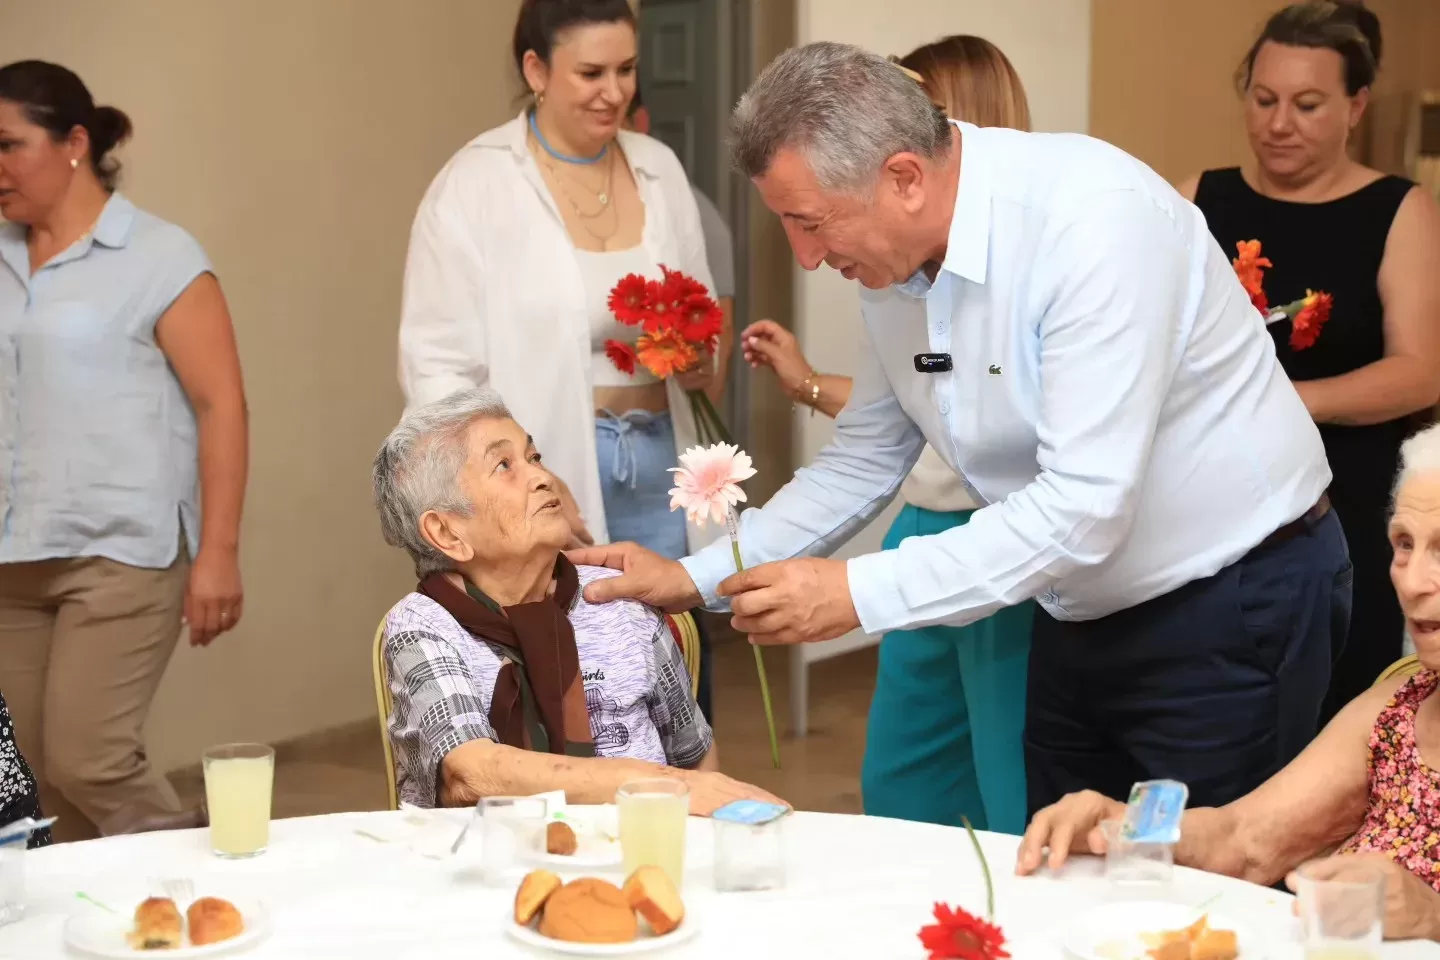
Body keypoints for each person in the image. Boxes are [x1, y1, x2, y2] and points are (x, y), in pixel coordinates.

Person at [569, 41, 1350, 819]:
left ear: (904, 177)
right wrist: (695, 576)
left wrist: (856, 591)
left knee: (1205, 889)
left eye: (810, 224)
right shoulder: (893, 260)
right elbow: (866, 458)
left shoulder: (1092, 222)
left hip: (1231, 594)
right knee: (1060, 869)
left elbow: (1084, 507)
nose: (804, 258)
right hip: (1078, 605)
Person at [739, 35, 1035, 835]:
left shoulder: (1021, 262)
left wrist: (804, 385)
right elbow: (897, 417)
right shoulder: (901, 285)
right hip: (919, 527)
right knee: (905, 774)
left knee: (1009, 778)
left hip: (1004, 543)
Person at [1016, 422, 1440, 942]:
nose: (1415, 581)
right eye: (1404, 544)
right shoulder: (1397, 707)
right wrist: (1123, 825)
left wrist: (1432, 914)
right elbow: (1245, 841)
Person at [0, 61, 248, 841]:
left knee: (90, 759)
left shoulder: (161, 257)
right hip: (12, 558)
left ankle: (194, 878)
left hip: (123, 552)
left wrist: (219, 554)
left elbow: (222, 405)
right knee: (42, 778)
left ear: (74, 143)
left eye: (8, 145)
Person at [1178, 0, 1440, 724]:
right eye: (1263, 100)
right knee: (1215, 715)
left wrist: (1285, 398)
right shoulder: (1200, 199)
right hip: (1211, 505)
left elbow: (1420, 372)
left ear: (1356, 106)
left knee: (1330, 711)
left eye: (1307, 104)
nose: (1279, 122)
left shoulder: (1399, 210)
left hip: (1341, 505)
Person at [398, 0, 728, 568]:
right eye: (591, 74)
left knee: (676, 648)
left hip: (667, 470)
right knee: (574, 648)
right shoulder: (473, 185)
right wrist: (522, 476)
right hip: (548, 482)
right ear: (536, 71)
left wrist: (701, 360)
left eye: (626, 70)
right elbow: (437, 374)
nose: (615, 92)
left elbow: (703, 318)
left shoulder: (660, 169)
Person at [372, 389, 782, 813]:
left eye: (534, 457)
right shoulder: (423, 628)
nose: (542, 477)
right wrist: (652, 783)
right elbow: (472, 773)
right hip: (489, 869)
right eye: (504, 466)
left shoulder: (617, 599)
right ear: (446, 533)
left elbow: (694, 759)